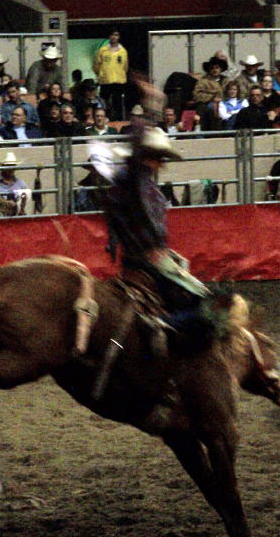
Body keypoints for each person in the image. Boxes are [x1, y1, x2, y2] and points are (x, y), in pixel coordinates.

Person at [90, 125, 212, 343]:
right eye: (159, 158)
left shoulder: (125, 184)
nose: (161, 164)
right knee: (210, 305)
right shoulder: (138, 183)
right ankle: (165, 325)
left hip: (136, 257)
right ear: (151, 157)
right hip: (149, 260)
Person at [93, 30, 129, 120]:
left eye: (116, 35)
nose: (114, 37)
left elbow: (125, 67)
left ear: (119, 37)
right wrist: (102, 74)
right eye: (112, 35)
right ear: (109, 37)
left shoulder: (123, 51)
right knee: (104, 104)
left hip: (118, 82)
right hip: (105, 82)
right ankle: (104, 119)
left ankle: (119, 121)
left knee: (118, 104)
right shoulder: (103, 50)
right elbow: (97, 65)